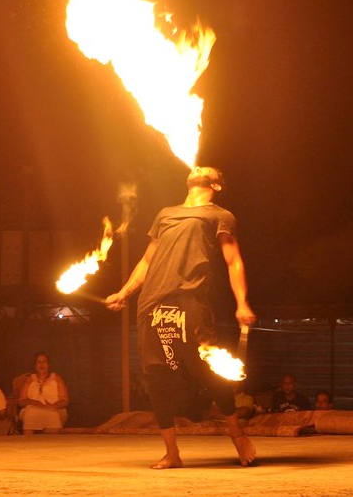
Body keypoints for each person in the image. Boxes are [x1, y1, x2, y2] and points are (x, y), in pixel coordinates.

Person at [106, 166, 257, 468]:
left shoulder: (220, 216)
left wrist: (242, 302)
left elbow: (233, 260)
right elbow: (148, 260)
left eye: (208, 170)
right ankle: (172, 453)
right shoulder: (165, 214)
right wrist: (124, 292)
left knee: (209, 370)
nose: (199, 167)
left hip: (190, 301)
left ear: (215, 183)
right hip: (152, 305)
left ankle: (237, 436)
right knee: (157, 376)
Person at [17, 352, 69, 434]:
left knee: (52, 414)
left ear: (48, 365)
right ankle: (27, 443)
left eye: (44, 362)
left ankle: (55, 445)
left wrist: (53, 406)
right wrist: (35, 402)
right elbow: (21, 401)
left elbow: (65, 400)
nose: (42, 364)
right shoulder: (30, 379)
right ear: (35, 365)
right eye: (39, 362)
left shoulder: (56, 378)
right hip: (33, 409)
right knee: (30, 413)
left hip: (54, 409)